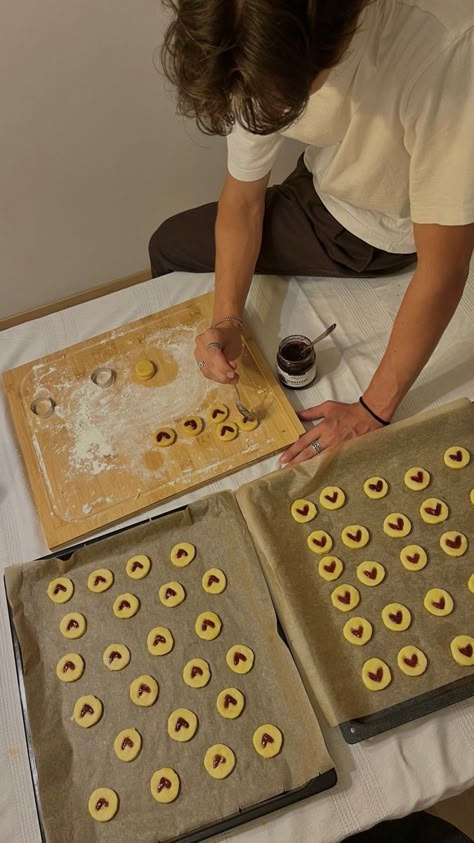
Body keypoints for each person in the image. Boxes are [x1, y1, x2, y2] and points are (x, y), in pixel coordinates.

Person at [149, 0, 474, 465]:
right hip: (325, 177)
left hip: (379, 224)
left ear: (335, 39)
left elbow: (445, 264)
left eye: (280, 99)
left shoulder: (445, 46)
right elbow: (243, 200)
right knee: (169, 244)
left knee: (171, 246)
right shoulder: (246, 26)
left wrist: (371, 411)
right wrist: (226, 318)